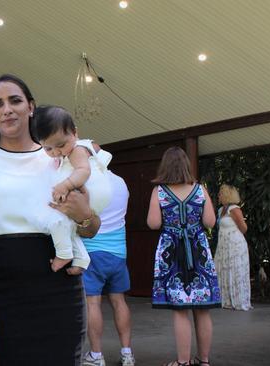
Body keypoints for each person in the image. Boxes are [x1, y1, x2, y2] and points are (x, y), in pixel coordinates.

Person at [0, 74, 101, 365]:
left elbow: (92, 228)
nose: (7, 109)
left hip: (57, 286)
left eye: (15, 100)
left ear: (31, 106)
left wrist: (83, 214)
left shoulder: (61, 157)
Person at [146, 147, 221, 366]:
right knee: (202, 308)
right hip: (198, 251)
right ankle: (204, 361)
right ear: (186, 166)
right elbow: (210, 222)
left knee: (181, 310)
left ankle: (182, 362)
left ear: (165, 166)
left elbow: (153, 224)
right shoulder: (199, 190)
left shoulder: (159, 192)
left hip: (171, 252)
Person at [31, 105, 112, 273]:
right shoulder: (66, 152)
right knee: (68, 226)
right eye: (48, 148)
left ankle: (64, 254)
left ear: (75, 133)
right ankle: (82, 259)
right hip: (88, 198)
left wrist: (65, 185)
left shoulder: (77, 149)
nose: (55, 152)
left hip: (89, 193)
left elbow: (83, 170)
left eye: (60, 145)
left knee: (55, 219)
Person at [80, 171, 135, 366]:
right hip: (119, 252)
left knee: (93, 303)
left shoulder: (87, 183)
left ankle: (96, 355)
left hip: (93, 251)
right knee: (119, 301)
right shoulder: (120, 181)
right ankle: (127, 353)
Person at [214, 184, 252, 311]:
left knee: (235, 271)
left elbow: (244, 228)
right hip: (223, 245)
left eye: (220, 193)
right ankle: (225, 300)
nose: (218, 195)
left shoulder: (234, 209)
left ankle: (238, 300)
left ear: (226, 195)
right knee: (224, 269)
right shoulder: (221, 210)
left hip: (235, 245)